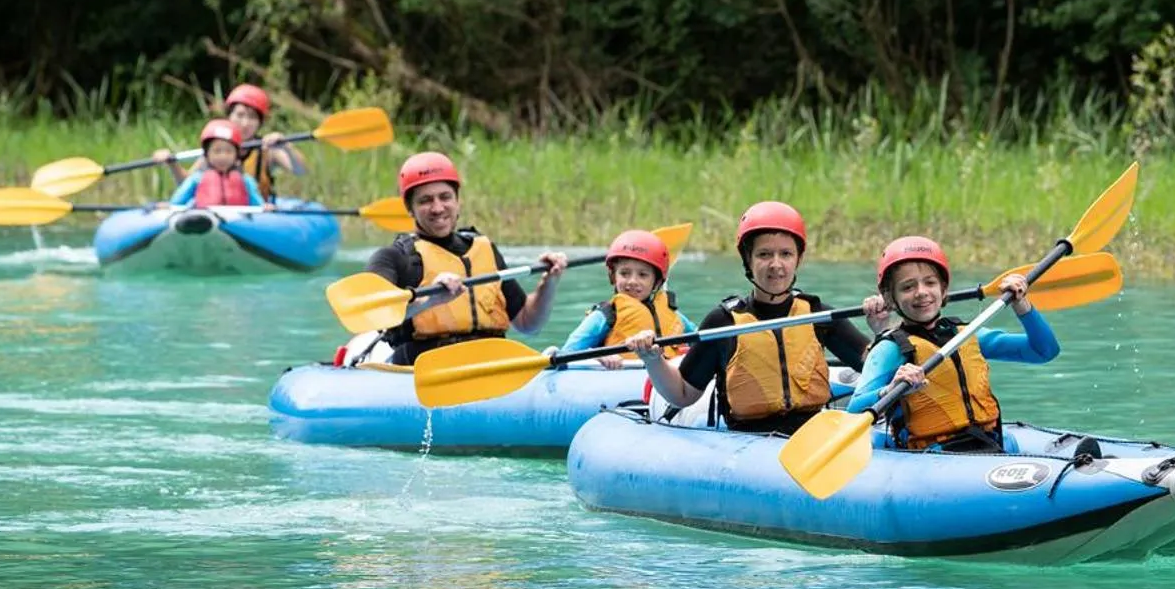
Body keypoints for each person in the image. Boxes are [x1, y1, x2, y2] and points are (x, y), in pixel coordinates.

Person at [630, 201, 871, 433]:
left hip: (811, 438)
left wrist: (880, 328)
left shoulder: (819, 315)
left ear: (798, 259)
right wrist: (652, 359)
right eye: (764, 254)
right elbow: (681, 394)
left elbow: (874, 366)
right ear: (748, 260)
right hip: (748, 439)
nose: (776, 264)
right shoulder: (724, 322)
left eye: (786, 254)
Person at [352, 151, 567, 366]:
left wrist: (549, 282)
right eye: (425, 200)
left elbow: (528, 324)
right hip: (422, 369)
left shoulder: (484, 249)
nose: (437, 208)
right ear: (410, 208)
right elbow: (374, 315)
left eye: (445, 197)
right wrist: (430, 300)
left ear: (457, 201)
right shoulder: (393, 258)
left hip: (491, 364)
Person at [847, 236, 1059, 452]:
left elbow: (1044, 351)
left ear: (944, 289)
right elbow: (853, 411)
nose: (921, 292)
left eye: (930, 282)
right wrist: (891, 390)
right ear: (890, 298)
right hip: (930, 457)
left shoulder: (969, 335)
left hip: (988, 443)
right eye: (908, 287)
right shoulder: (889, 349)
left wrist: (1021, 305)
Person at [559, 229, 695, 368]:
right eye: (624, 273)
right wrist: (598, 355)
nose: (632, 281)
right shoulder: (606, 315)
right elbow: (567, 353)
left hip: (670, 379)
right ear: (613, 276)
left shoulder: (674, 315)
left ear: (657, 282)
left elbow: (702, 341)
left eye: (642, 275)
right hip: (623, 379)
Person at [152, 83, 303, 197]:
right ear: (229, 116)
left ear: (260, 122)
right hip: (221, 212)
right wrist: (172, 164)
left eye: (252, 117)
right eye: (240, 115)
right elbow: (186, 184)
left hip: (258, 216)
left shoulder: (268, 150)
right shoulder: (216, 149)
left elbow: (300, 171)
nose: (245, 123)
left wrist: (286, 146)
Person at [164, 120, 264, 209]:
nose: (223, 157)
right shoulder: (197, 178)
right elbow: (177, 202)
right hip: (206, 221)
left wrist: (265, 208)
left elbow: (259, 205)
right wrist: (168, 207)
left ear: (236, 156)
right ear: (207, 155)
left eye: (228, 151)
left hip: (239, 221)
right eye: (217, 151)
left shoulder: (246, 180)